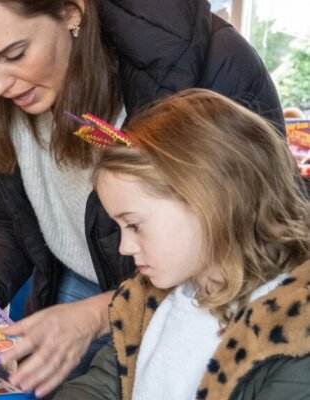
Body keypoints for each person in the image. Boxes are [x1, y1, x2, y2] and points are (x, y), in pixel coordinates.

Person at [0, 0, 284, 396]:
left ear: (70, 13)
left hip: (194, 300)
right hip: (74, 285)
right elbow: (0, 220)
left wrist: (102, 313)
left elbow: (259, 238)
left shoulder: (206, 60)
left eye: (14, 55)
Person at [56, 89, 310, 399]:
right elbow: (100, 384)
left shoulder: (294, 330)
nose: (124, 247)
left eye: (134, 225)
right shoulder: (145, 303)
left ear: (211, 204)